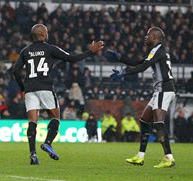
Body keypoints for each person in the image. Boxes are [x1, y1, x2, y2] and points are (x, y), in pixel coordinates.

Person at [13, 24, 104, 165]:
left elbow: (15, 70)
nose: (48, 35)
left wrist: (22, 88)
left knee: (32, 121)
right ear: (42, 34)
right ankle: (48, 143)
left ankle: (33, 154)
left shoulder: (25, 50)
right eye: (47, 32)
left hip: (30, 88)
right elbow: (72, 58)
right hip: (45, 87)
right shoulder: (50, 48)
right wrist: (90, 52)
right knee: (55, 117)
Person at [105, 27, 176, 168]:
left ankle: (168, 157)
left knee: (158, 123)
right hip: (159, 90)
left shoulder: (158, 50)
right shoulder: (157, 51)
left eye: (148, 35)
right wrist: (120, 58)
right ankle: (140, 156)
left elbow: (143, 67)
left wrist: (124, 73)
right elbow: (138, 63)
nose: (145, 37)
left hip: (164, 89)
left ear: (155, 37)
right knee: (144, 121)